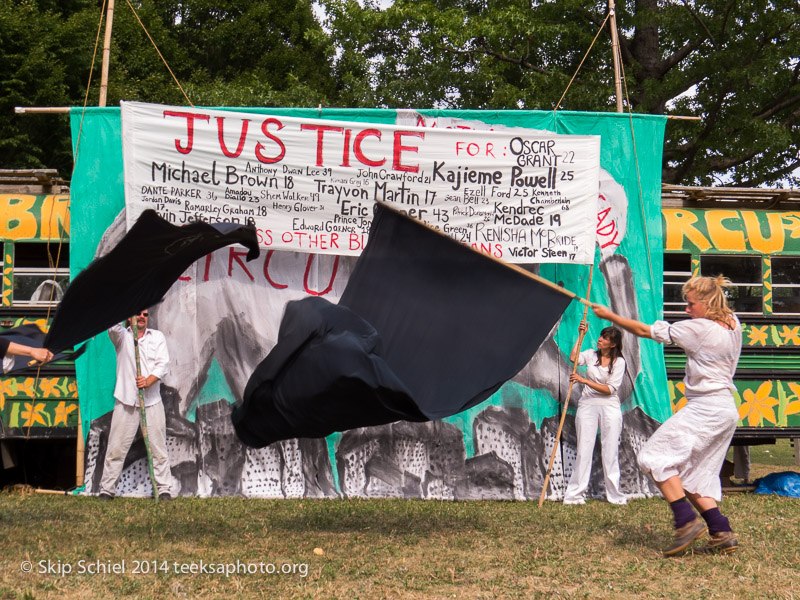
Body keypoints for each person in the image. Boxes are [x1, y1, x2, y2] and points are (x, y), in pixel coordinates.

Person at [593, 275, 741, 556]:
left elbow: (645, 330)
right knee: (693, 475)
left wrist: (610, 315)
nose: (687, 309)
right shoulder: (733, 323)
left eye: (691, 304)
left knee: (652, 457)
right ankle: (721, 530)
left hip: (706, 408)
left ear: (707, 303)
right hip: (725, 410)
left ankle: (686, 523)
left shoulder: (700, 329)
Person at [98, 309, 173, 500]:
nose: (142, 317)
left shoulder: (157, 337)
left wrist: (148, 381)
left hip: (151, 401)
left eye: (145, 315)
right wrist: (126, 301)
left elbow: (163, 364)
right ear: (129, 316)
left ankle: (164, 489)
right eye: (138, 313)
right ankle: (107, 490)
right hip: (126, 401)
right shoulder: (122, 337)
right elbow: (112, 324)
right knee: (116, 448)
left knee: (158, 448)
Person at [563, 323, 627, 505]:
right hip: (588, 405)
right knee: (584, 448)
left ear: (613, 344)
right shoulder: (591, 354)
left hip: (610, 407)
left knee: (610, 450)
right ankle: (575, 495)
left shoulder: (619, 362)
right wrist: (581, 335)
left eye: (605, 338)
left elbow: (609, 389)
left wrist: (584, 380)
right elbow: (573, 357)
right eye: (601, 336)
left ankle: (614, 495)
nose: (600, 339)